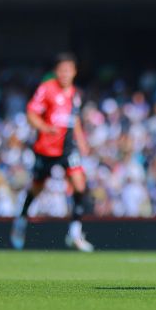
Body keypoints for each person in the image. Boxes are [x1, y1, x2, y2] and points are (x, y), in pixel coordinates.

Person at [10, 53, 94, 252]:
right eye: (62, 70)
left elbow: (76, 121)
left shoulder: (75, 94)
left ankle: (74, 232)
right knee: (37, 188)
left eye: (69, 70)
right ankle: (21, 220)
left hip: (67, 149)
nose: (65, 74)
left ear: (74, 72)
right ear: (56, 71)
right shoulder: (46, 89)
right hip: (46, 149)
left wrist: (82, 142)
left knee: (79, 184)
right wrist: (45, 128)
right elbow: (31, 113)